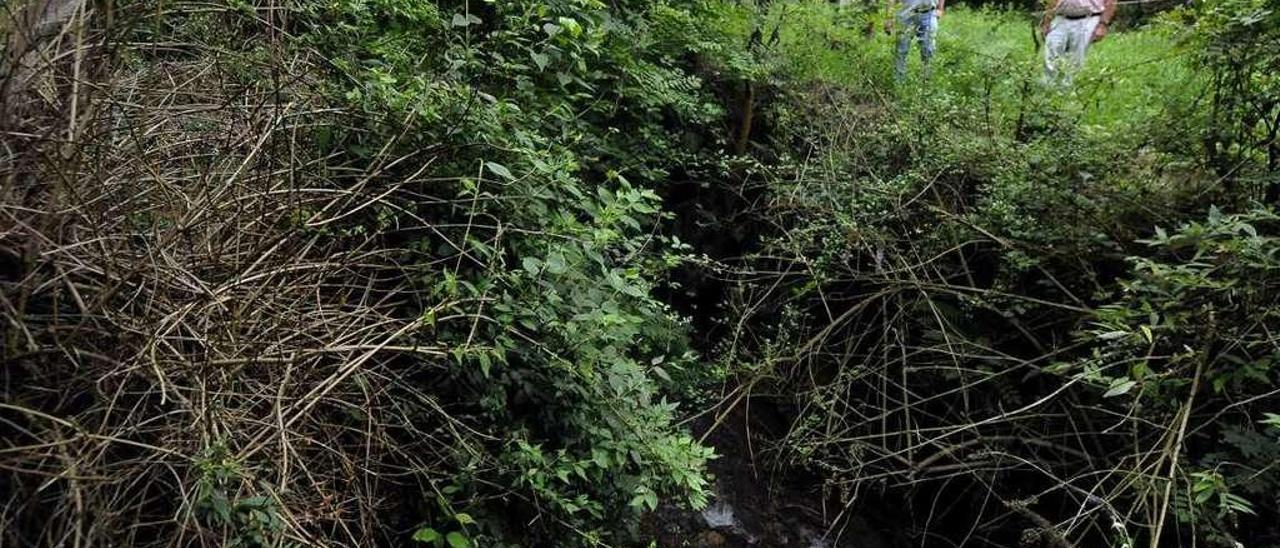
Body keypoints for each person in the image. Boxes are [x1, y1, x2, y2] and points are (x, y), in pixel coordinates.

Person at [1041, 0, 1117, 86]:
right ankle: (1048, 86)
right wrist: (1047, 21)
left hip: (1088, 18)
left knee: (1076, 58)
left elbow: (1111, 2)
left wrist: (1103, 25)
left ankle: (1067, 88)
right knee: (1052, 50)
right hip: (1060, 17)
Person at [885, 0, 945, 81]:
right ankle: (898, 82)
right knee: (901, 50)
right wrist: (889, 18)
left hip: (929, 13)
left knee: (928, 49)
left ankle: (926, 82)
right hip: (906, 14)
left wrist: (940, 9)